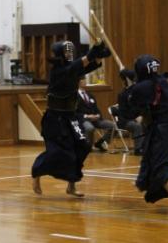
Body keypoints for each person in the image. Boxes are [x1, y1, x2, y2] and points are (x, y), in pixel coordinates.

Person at [31, 41, 111, 197]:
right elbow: (76, 66)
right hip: (55, 119)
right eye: (66, 52)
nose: (69, 54)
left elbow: (87, 66)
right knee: (57, 153)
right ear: (60, 54)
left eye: (71, 52)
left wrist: (99, 56)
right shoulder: (58, 71)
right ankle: (36, 172)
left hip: (71, 117)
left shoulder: (73, 69)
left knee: (83, 146)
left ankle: (71, 186)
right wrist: (90, 54)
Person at [129, 55, 168, 216]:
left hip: (163, 130)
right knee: (155, 163)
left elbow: (132, 107)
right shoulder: (162, 81)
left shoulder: (140, 87)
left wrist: (130, 86)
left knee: (159, 167)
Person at [77, 77, 115, 152]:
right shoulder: (74, 96)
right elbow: (75, 113)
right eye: (82, 79)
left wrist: (98, 115)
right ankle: (87, 147)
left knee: (113, 126)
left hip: (95, 119)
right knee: (90, 128)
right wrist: (87, 116)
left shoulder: (90, 95)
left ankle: (100, 143)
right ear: (78, 82)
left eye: (85, 79)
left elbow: (96, 108)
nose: (84, 81)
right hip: (83, 119)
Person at [117, 69, 144, 155]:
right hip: (126, 120)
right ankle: (138, 149)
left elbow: (144, 105)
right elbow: (123, 112)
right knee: (137, 126)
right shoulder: (122, 94)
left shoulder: (138, 91)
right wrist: (135, 118)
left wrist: (142, 115)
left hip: (140, 117)